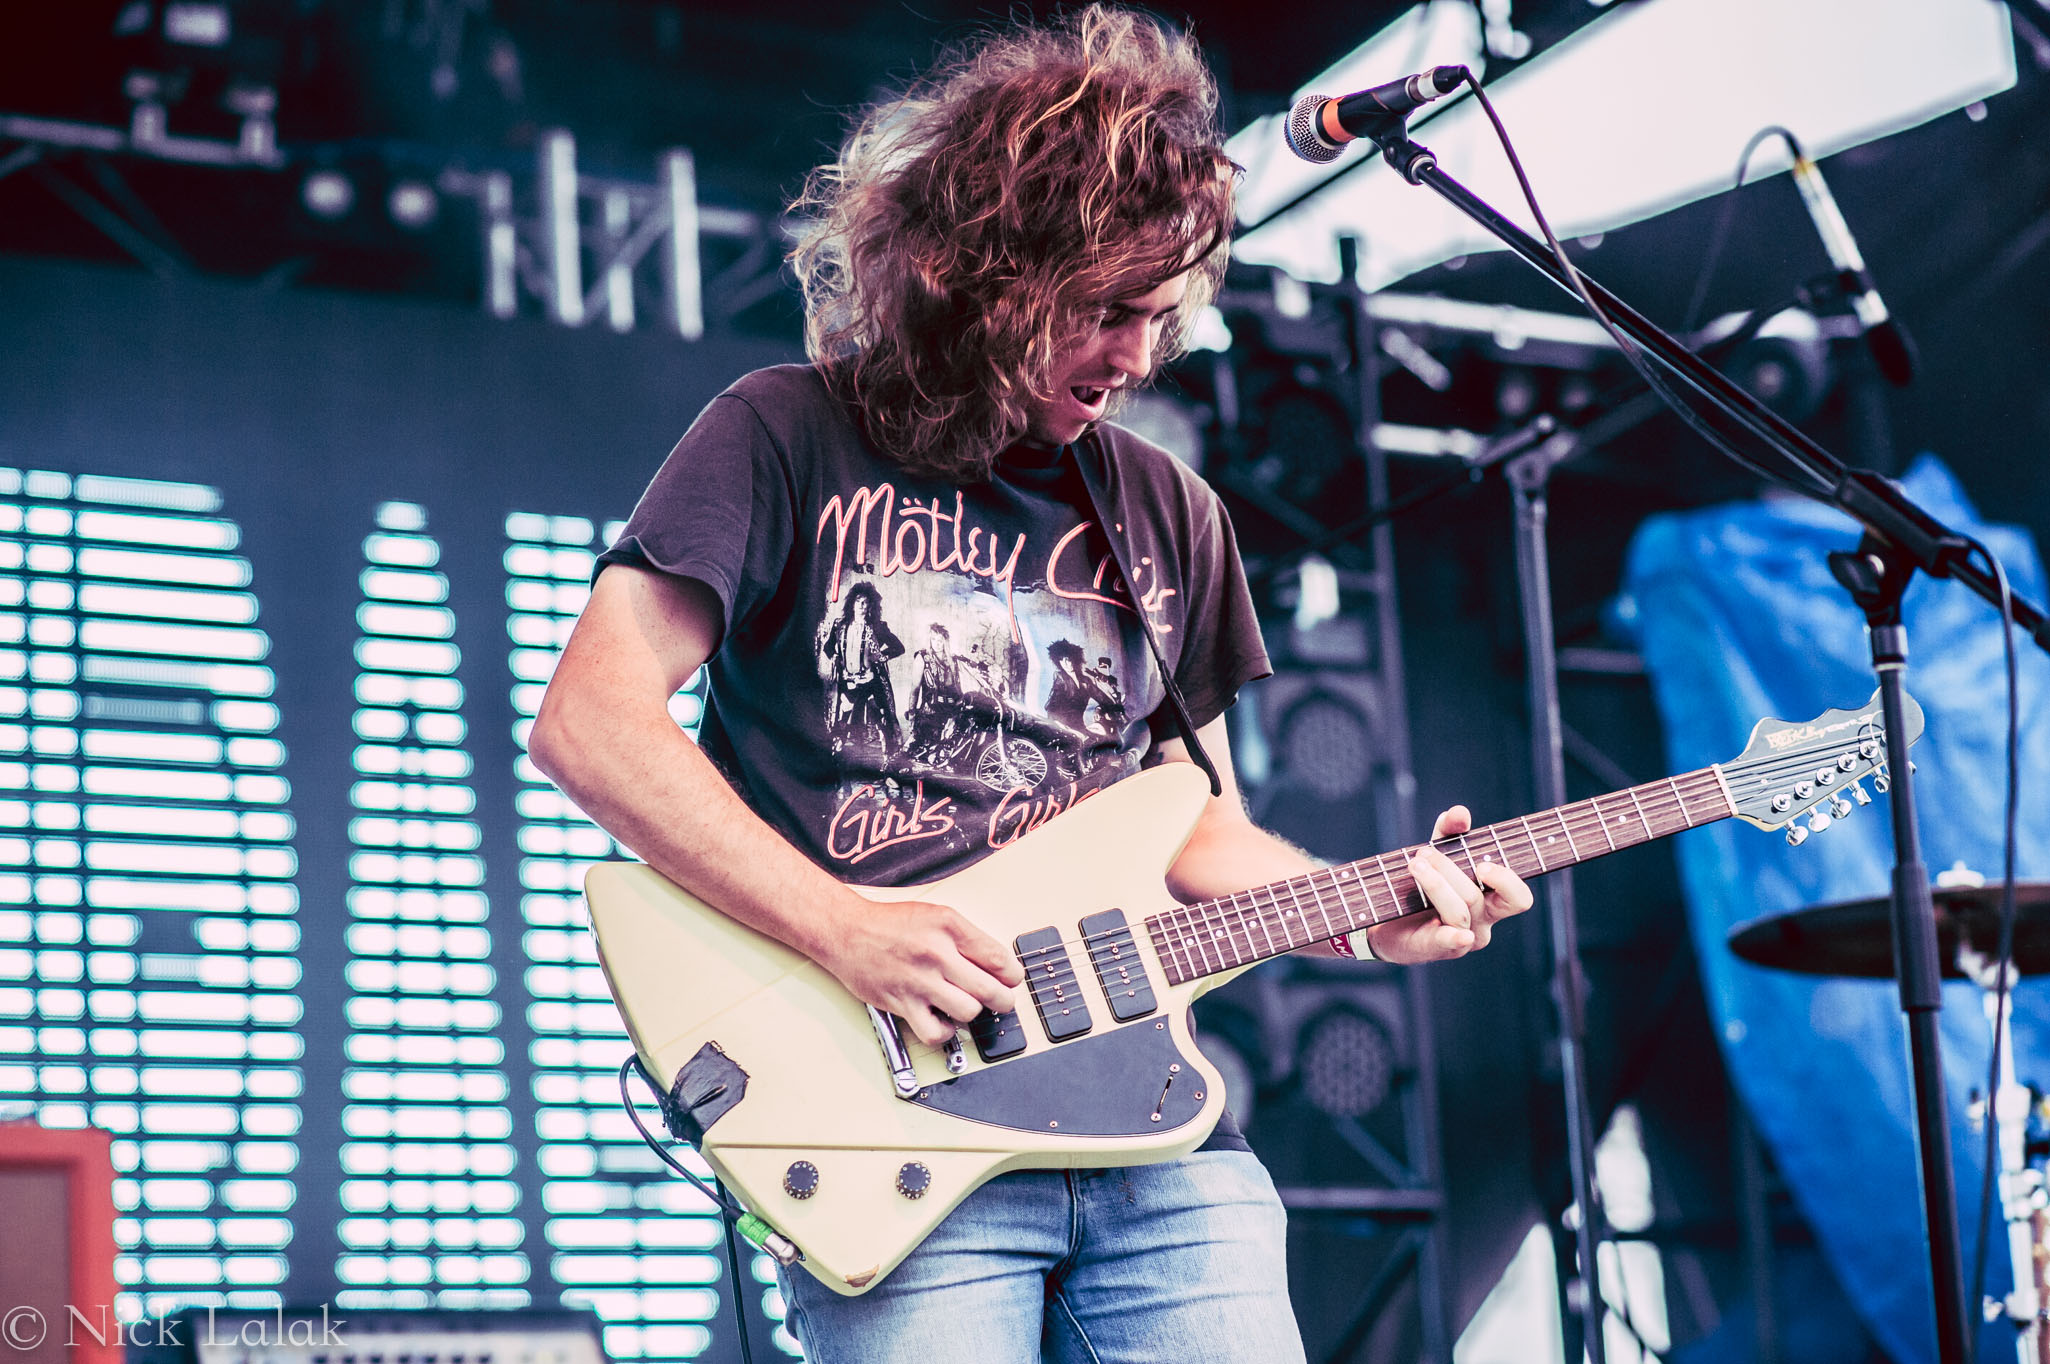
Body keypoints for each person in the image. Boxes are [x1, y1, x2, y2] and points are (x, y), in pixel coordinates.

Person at [528, 7, 1533, 1361]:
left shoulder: (1166, 509)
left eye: (1159, 315)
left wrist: (1362, 915)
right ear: (980, 277)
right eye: (1104, 310)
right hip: (894, 1116)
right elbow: (589, 723)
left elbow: (1195, 829)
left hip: (1155, 1132)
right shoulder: (780, 434)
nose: (1136, 356)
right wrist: (843, 928)